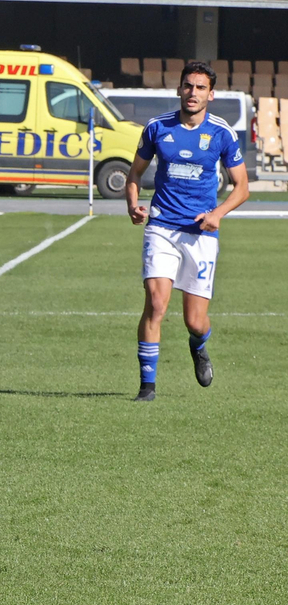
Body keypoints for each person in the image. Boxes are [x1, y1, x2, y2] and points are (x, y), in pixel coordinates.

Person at [125, 61, 248, 402]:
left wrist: (218, 214)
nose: (192, 93)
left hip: (200, 234)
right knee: (156, 303)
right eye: (187, 86)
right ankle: (147, 387)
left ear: (211, 93)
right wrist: (133, 204)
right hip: (162, 227)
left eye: (199, 87)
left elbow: (241, 187)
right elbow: (134, 175)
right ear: (179, 89)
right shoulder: (157, 128)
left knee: (195, 322)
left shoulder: (222, 133)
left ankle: (199, 346)